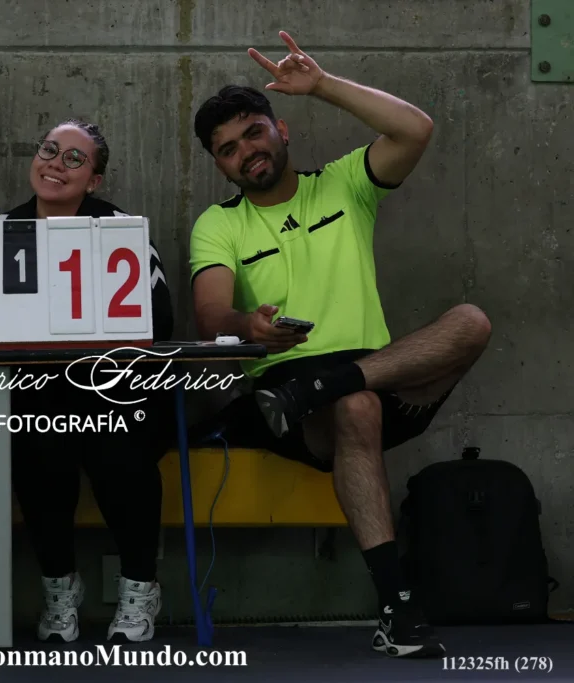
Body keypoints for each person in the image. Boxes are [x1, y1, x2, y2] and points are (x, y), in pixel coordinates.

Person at [188, 33, 491, 658]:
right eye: (228, 149)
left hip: (379, 374)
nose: (245, 152)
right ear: (220, 166)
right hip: (290, 399)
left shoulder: (344, 183)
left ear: (281, 130)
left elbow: (415, 130)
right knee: (356, 405)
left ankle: (332, 384)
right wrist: (249, 326)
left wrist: (323, 84)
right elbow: (212, 314)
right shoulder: (220, 224)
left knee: (471, 321)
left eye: (253, 133)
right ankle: (397, 608)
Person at [1, 120, 175, 643]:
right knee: (33, 445)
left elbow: (159, 320)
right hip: (35, 391)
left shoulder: (122, 230)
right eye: (49, 150)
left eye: (74, 159)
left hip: (113, 387)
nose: (56, 163)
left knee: (118, 444)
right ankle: (59, 588)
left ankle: (140, 586)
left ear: (94, 180)